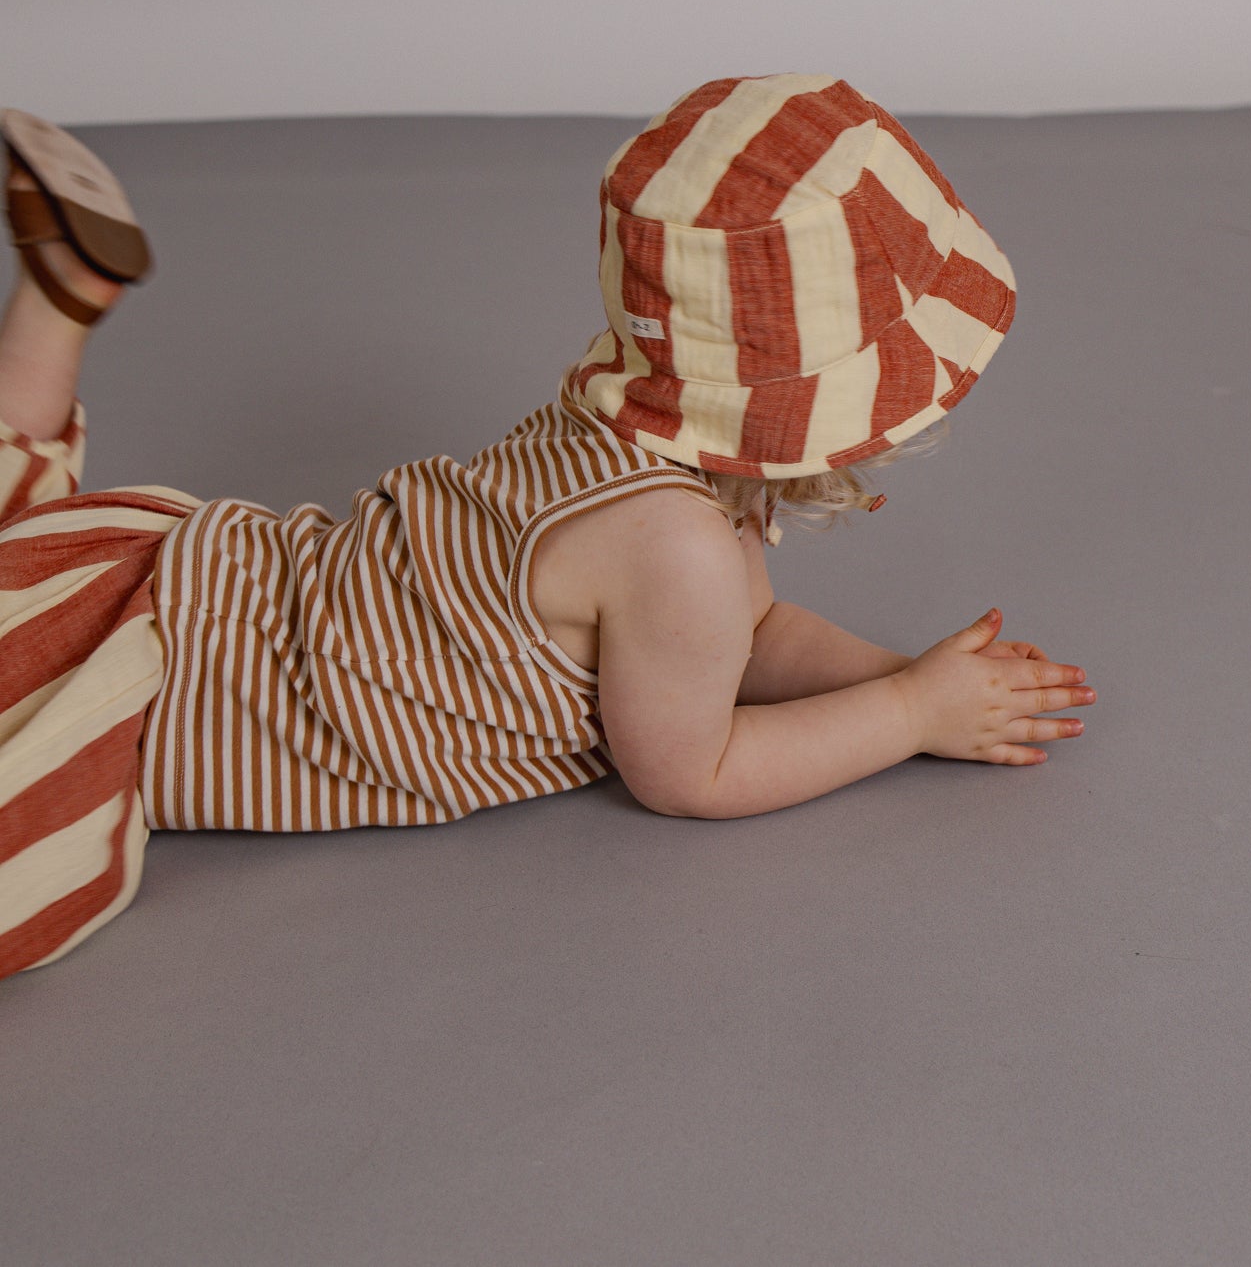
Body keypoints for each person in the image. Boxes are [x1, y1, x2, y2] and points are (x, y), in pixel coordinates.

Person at [0, 75, 1095, 978]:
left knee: (21, 545)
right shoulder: (680, 548)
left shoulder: (626, 418)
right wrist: (903, 715)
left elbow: (746, 644)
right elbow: (689, 769)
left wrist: (898, 675)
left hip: (186, 572)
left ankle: (59, 304)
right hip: (185, 700)